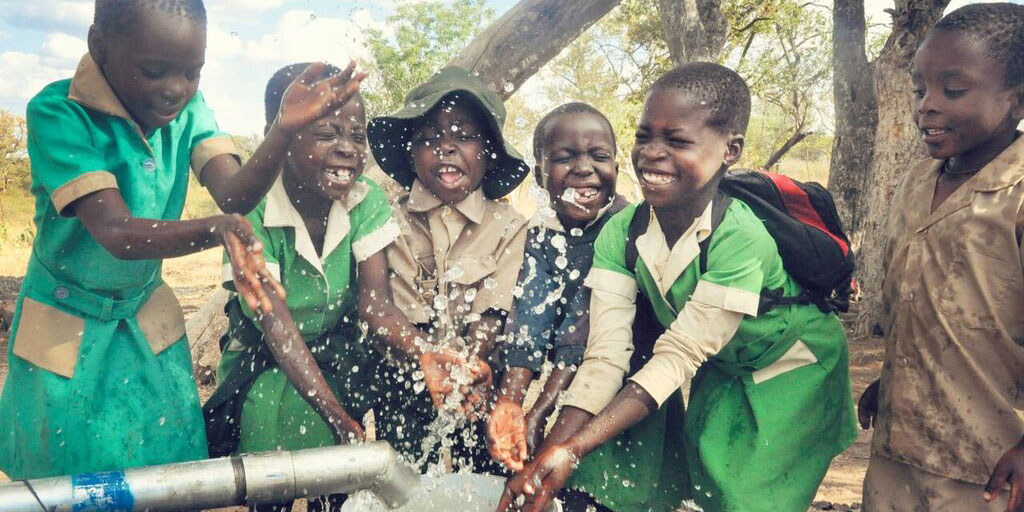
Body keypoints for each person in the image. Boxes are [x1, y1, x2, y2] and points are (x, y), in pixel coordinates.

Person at [0, 0, 362, 479]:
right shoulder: (59, 113)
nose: (176, 89)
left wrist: (283, 129)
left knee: (167, 463)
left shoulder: (189, 111)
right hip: (65, 318)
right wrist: (216, 229)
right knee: (65, 470)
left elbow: (234, 194)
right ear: (98, 46)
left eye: (193, 72)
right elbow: (115, 231)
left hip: (144, 315)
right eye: (155, 71)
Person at [499, 62, 857, 512]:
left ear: (730, 150)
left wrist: (573, 449)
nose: (652, 153)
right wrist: (553, 452)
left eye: (677, 141)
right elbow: (606, 356)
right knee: (708, 478)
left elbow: (678, 356)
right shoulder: (622, 232)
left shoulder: (739, 239)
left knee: (749, 497)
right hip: (724, 365)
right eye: (644, 136)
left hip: (794, 365)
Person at [204, 63, 427, 512]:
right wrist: (337, 417)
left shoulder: (365, 199)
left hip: (336, 360)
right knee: (272, 472)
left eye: (357, 136)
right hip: (266, 365)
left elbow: (376, 307)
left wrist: (426, 353)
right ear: (278, 138)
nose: (347, 149)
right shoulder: (251, 209)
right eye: (326, 133)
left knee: (338, 482)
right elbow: (277, 328)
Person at [856, 4, 1024, 511]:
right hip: (899, 453)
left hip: (988, 467)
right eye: (919, 90)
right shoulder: (916, 182)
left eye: (953, 90)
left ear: (1016, 101)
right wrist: (895, 380)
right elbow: (920, 302)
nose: (926, 106)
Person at [366, 66, 530, 471]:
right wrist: (428, 356)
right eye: (428, 138)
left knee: (484, 478)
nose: (446, 148)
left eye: (465, 136)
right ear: (409, 152)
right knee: (402, 481)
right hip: (405, 379)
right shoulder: (388, 223)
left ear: (489, 153)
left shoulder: (508, 226)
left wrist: (470, 365)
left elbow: (494, 313)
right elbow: (386, 311)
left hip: (479, 378)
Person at [487, 102, 628, 471]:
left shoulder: (625, 227)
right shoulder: (540, 234)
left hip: (624, 390)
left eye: (599, 156)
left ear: (616, 168)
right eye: (565, 157)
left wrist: (538, 412)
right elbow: (531, 317)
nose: (584, 168)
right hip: (574, 379)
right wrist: (511, 401)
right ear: (540, 174)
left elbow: (580, 330)